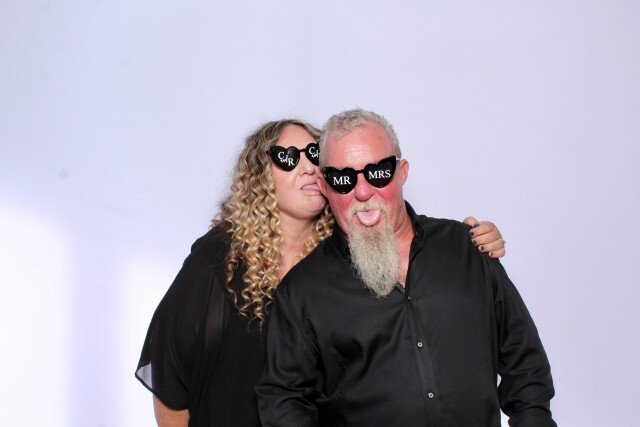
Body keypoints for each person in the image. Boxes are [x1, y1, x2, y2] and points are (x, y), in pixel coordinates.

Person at [135, 119, 507, 427]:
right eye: (287, 158)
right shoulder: (220, 258)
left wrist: (471, 239)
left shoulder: (353, 254)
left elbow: (415, 267)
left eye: (314, 154)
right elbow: (171, 376)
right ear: (261, 177)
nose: (308, 167)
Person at [255, 109, 556, 427]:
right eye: (344, 179)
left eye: (378, 173)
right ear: (325, 186)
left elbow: (525, 362)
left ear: (401, 172)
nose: (363, 192)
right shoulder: (303, 290)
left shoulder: (466, 249)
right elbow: (283, 400)